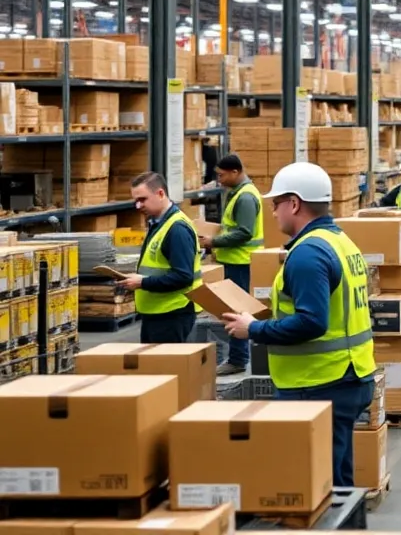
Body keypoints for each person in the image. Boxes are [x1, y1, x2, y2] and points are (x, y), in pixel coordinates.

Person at [220, 162, 376, 490]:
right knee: (338, 482)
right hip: (348, 375)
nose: (273, 213)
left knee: (319, 486)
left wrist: (255, 329)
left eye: (276, 204)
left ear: (294, 204)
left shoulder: (308, 254)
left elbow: (312, 322)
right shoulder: (340, 242)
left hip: (320, 381)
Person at [117, 171, 201, 343]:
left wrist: (142, 282)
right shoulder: (158, 223)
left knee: (166, 368)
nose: (138, 206)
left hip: (172, 314)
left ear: (160, 194)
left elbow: (184, 277)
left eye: (142, 199)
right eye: (136, 201)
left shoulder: (177, 229)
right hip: (157, 313)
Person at [200, 154, 264, 375]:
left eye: (221, 175)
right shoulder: (236, 193)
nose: (219, 180)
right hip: (233, 261)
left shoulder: (245, 197)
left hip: (241, 262)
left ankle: (238, 359)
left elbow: (244, 232)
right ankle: (237, 357)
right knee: (231, 310)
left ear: (235, 172)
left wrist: (214, 241)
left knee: (236, 311)